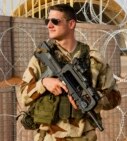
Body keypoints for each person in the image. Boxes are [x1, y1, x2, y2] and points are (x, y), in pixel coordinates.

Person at [20, 4, 121, 141]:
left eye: (55, 21)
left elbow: (115, 97)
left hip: (84, 137)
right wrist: (44, 83)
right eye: (47, 21)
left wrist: (93, 98)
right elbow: (23, 97)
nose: (49, 25)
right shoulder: (42, 58)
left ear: (71, 24)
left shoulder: (93, 58)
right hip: (48, 137)